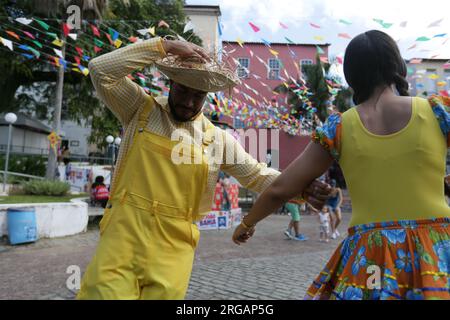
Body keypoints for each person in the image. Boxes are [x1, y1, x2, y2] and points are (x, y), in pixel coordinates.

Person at [77, 36, 332, 300]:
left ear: (207, 97)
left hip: (173, 251)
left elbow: (257, 175)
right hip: (121, 240)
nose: (188, 102)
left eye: (197, 96)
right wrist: (164, 46)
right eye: (183, 91)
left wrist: (301, 188)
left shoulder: (217, 139)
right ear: (171, 83)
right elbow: (100, 70)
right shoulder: (140, 108)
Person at [232, 30, 450, 300]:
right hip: (438, 249)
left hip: (370, 256)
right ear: (398, 66)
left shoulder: (339, 127)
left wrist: (247, 224)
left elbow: (281, 188)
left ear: (351, 77)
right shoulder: (439, 111)